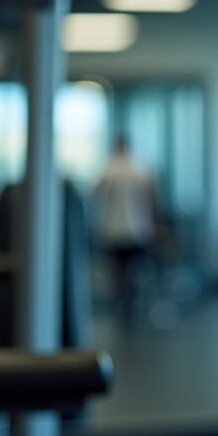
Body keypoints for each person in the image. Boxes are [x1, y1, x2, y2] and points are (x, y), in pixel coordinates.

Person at [92, 134, 157, 325]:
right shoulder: (139, 168)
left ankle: (122, 300)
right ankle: (130, 300)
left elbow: (96, 192)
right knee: (133, 268)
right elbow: (151, 197)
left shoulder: (109, 168)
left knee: (118, 269)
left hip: (113, 228)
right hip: (137, 228)